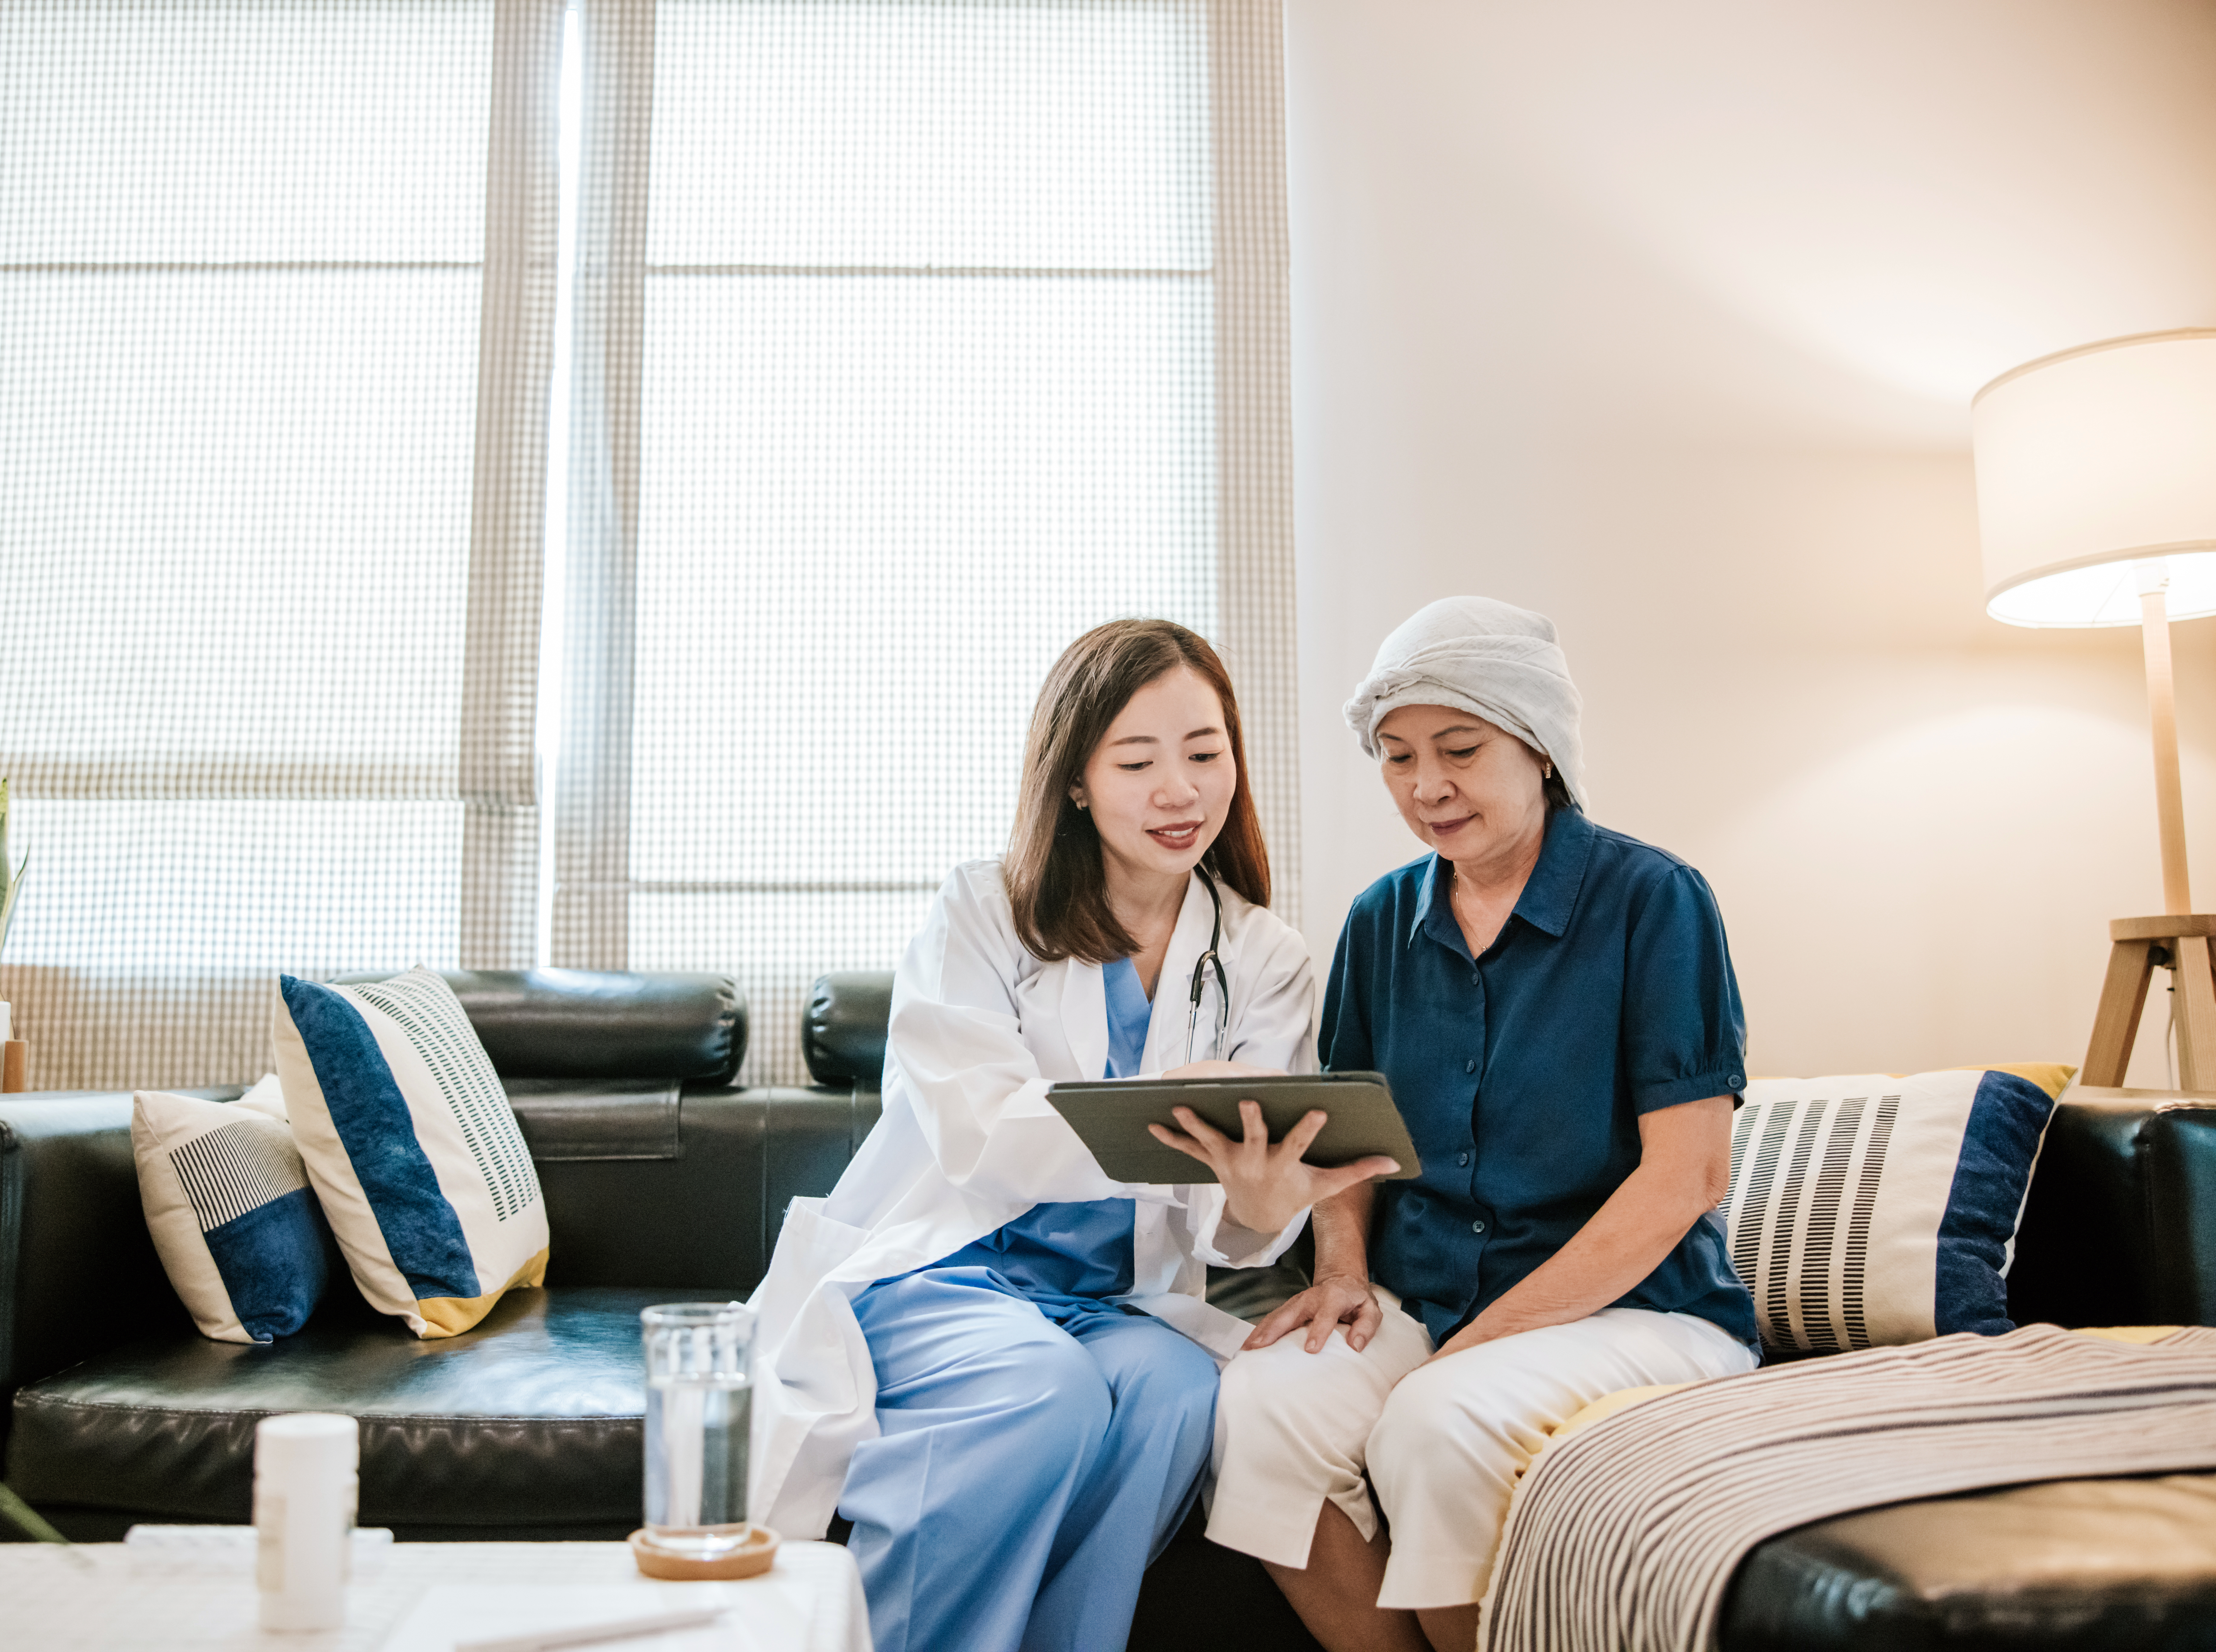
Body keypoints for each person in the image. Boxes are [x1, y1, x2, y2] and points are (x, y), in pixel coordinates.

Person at [747, 619, 1394, 1652]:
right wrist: (1169, 1094)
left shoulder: (1262, 953)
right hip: (944, 1275)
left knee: (1181, 1396)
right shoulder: (983, 910)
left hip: (1109, 1303)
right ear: (1078, 782)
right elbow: (974, 1134)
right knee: (1042, 1397)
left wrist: (1267, 1211)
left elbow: (1237, 1236)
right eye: (1136, 762)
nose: (1179, 791)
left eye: (1205, 752)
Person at [1203, 596, 1761, 1652]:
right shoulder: (1380, 921)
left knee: (1433, 1421)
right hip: (1434, 1306)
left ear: (1540, 747)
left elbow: (1685, 1176)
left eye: (1460, 748)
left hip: (1642, 1314)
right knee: (1263, 1409)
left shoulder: (1656, 901)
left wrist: (1487, 1339)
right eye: (1399, 756)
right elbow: (1348, 1144)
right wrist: (1340, 1275)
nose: (1427, 786)